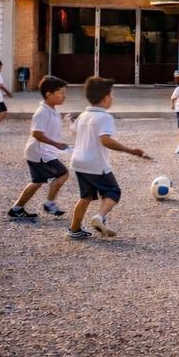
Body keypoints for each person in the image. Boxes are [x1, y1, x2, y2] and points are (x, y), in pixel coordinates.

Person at [68, 76, 150, 240]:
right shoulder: (105, 117)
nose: (112, 99)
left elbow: (74, 130)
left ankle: (74, 230)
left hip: (78, 162)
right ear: (105, 98)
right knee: (113, 192)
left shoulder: (83, 115)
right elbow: (105, 140)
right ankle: (100, 217)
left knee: (86, 197)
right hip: (95, 164)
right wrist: (130, 150)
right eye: (111, 96)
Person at [7, 75, 72, 221]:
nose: (64, 96)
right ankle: (49, 204)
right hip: (40, 153)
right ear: (49, 94)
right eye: (61, 93)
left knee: (38, 181)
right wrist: (56, 144)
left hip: (40, 152)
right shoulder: (42, 112)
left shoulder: (52, 109)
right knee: (63, 174)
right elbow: (36, 133)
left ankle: (16, 209)